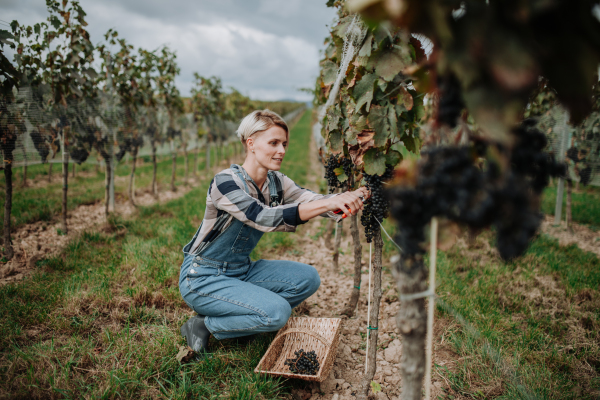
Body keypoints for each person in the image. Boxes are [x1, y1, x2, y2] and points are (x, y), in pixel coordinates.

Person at [179, 109, 369, 355]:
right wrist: (328, 203)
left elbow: (314, 200)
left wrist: (349, 198)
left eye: (284, 144)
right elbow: (261, 217)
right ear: (251, 144)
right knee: (277, 312)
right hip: (204, 277)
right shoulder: (225, 183)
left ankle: (243, 314)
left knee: (308, 278)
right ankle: (203, 325)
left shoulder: (277, 182)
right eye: (274, 143)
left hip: (241, 270)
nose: (282, 150)